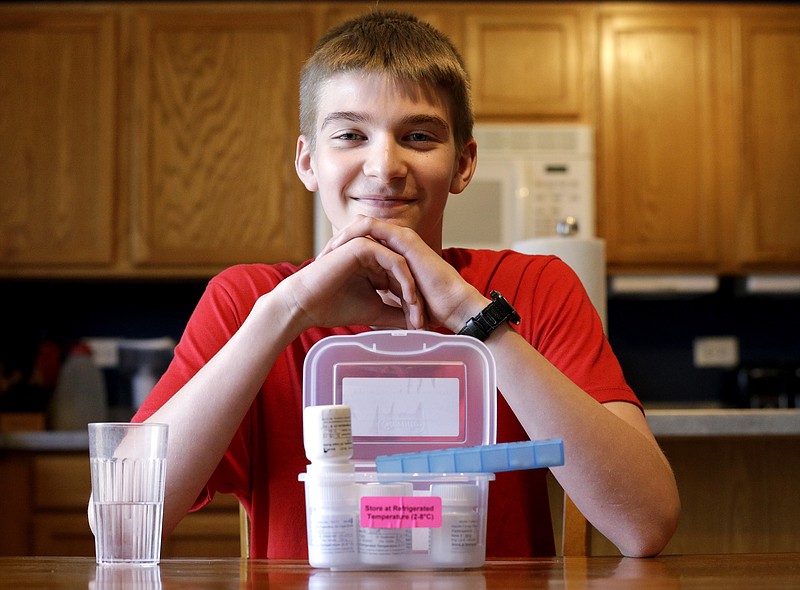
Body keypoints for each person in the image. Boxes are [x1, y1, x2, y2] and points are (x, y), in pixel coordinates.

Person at [95, 9, 679, 558]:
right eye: (350, 136)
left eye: (419, 136)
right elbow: (120, 527)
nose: (385, 166)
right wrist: (286, 311)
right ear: (307, 162)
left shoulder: (532, 286)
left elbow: (645, 523)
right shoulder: (250, 301)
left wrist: (471, 314)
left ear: (464, 164)